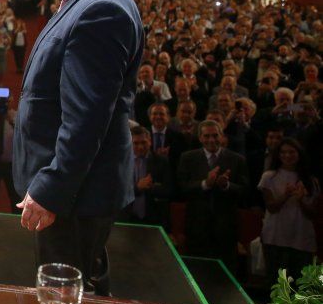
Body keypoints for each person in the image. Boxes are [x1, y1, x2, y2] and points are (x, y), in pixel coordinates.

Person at [13, 0, 143, 296]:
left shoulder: (101, 8)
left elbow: (86, 117)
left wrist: (52, 187)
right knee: (80, 293)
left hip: (75, 195)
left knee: (65, 301)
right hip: (77, 192)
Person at [177, 120, 248, 271]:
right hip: (197, 228)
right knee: (198, 272)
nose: (211, 140)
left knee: (225, 276)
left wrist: (226, 185)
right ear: (200, 138)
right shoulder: (187, 158)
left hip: (226, 229)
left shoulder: (237, 159)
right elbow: (182, 188)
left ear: (222, 136)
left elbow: (245, 190)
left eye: (215, 135)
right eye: (207, 136)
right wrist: (205, 184)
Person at [258, 138, 319, 282]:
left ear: (299, 154)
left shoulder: (311, 180)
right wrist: (286, 195)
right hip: (275, 236)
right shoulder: (269, 177)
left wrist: (301, 200)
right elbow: (272, 207)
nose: (287, 156)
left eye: (291, 152)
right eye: (283, 152)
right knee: (276, 284)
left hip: (301, 237)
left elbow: (313, 214)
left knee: (300, 286)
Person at [120, 126, 172, 229]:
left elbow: (169, 190)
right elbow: (115, 190)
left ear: (150, 141)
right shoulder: (121, 161)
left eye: (144, 142)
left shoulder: (162, 162)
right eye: (136, 143)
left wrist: (151, 187)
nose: (140, 147)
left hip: (153, 219)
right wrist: (137, 188)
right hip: (126, 218)